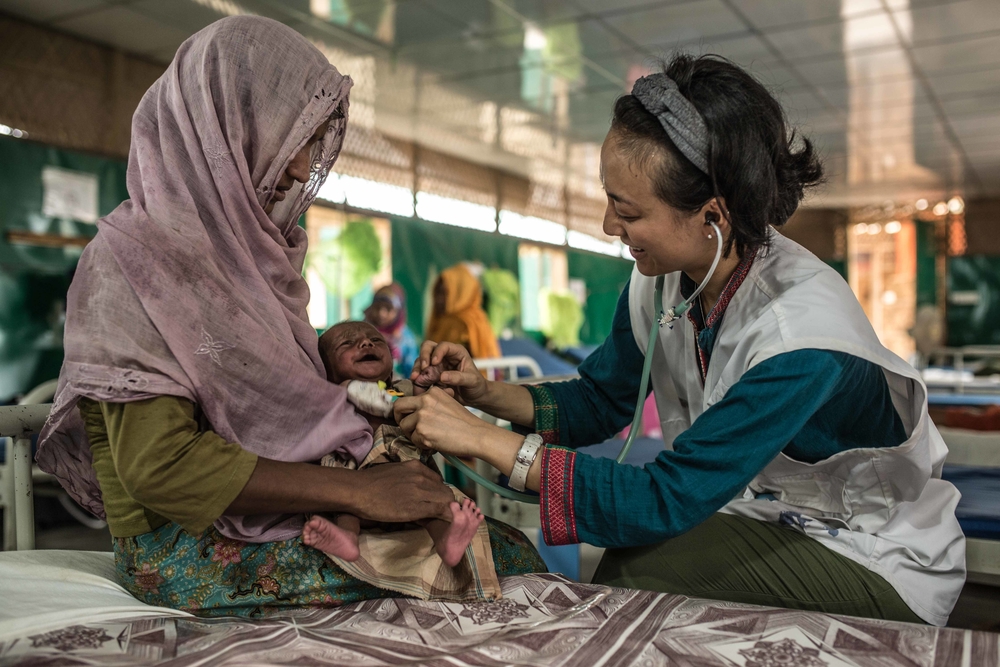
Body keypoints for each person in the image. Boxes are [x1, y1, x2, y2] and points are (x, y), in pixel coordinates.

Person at [392, 54, 966, 627]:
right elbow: (598, 401)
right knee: (637, 556)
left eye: (627, 210)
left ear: (712, 217)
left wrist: (480, 440)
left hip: (871, 548)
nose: (608, 226)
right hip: (765, 515)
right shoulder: (666, 283)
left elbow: (664, 499)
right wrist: (482, 395)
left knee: (641, 565)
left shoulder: (801, 336)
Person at [35, 16, 543, 618]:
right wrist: (362, 492)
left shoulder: (248, 262)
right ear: (226, 130)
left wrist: (386, 396)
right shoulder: (133, 264)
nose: (303, 169)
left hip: (275, 513)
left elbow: (282, 405)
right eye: (292, 137)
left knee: (495, 548)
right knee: (504, 561)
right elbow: (161, 469)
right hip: (180, 546)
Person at [304, 321, 484, 569]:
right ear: (328, 371)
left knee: (435, 499)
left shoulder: (400, 388)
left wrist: (421, 387)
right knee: (344, 500)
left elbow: (426, 414)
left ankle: (447, 542)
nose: (366, 343)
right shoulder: (345, 389)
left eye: (376, 341)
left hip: (408, 471)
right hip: (359, 473)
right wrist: (415, 397)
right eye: (347, 343)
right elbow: (383, 403)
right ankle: (346, 536)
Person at [425, 264, 500, 360]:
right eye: (437, 292)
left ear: (461, 293)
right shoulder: (439, 320)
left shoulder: (469, 323)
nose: (438, 299)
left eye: (445, 293)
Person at [364, 283, 419, 378]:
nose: (382, 313)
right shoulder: (361, 331)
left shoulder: (406, 339)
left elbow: (412, 372)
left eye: (388, 308)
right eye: (377, 307)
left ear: (399, 311)